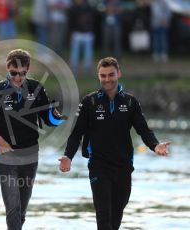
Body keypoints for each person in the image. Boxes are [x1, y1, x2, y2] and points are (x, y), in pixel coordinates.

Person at [59, 57, 170, 230]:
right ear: (98, 76)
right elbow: (76, 133)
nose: (107, 79)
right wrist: (68, 156)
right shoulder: (90, 102)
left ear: (119, 73)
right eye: (103, 76)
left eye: (111, 75)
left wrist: (155, 145)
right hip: (98, 166)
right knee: (104, 218)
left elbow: (143, 129)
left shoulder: (130, 102)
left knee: (116, 217)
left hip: (124, 166)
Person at [0, 49, 64, 230]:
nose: (18, 78)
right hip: (6, 155)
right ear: (7, 68)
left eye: (22, 74)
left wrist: (56, 116)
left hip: (31, 154)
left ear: (28, 69)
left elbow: (47, 119)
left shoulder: (36, 88)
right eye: (14, 73)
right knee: (13, 208)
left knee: (21, 211)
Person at [67, 0, 96, 75]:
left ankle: (87, 69)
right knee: (75, 52)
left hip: (87, 33)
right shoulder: (74, 8)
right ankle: (74, 69)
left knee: (87, 52)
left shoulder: (90, 7)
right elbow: (71, 20)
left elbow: (94, 20)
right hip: (77, 33)